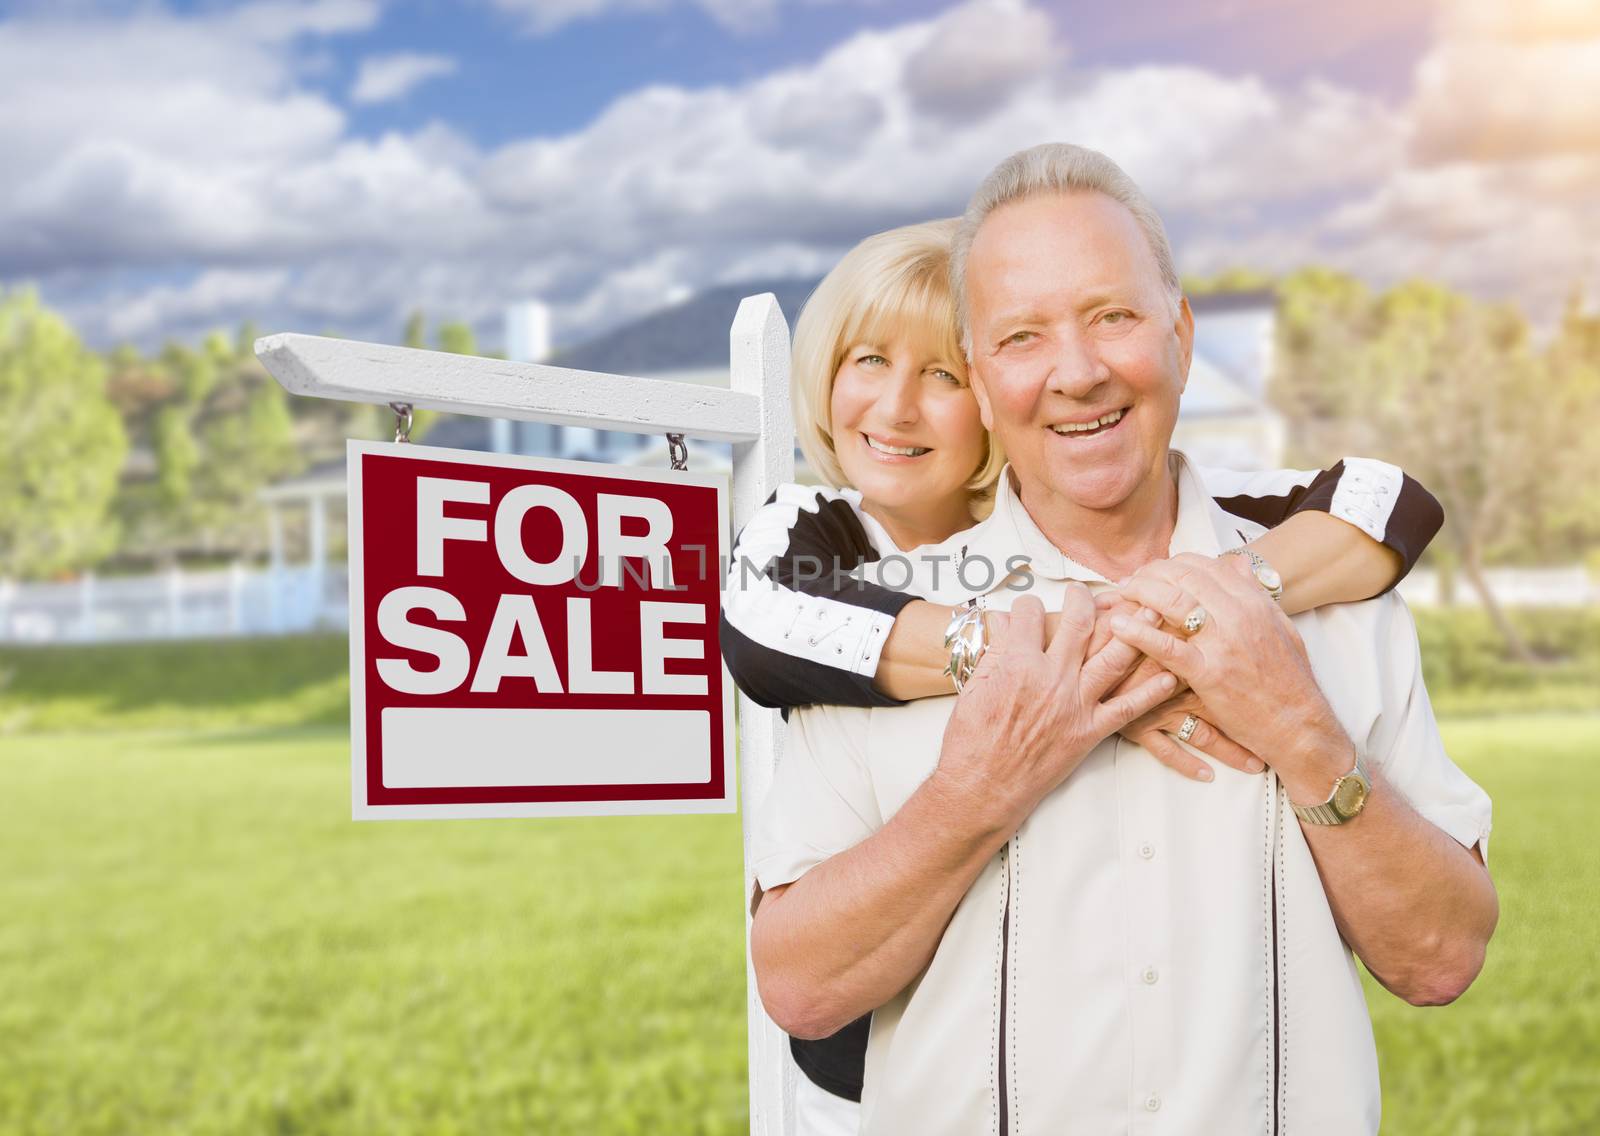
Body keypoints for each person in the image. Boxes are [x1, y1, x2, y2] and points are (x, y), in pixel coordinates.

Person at [746, 144, 1496, 1134]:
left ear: (1179, 335)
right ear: (981, 377)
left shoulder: (1340, 598)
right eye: (1021, 336)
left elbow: (1440, 957)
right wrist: (980, 788)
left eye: (1113, 316)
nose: (1078, 372)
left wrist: (1302, 731)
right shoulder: (880, 626)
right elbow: (797, 987)